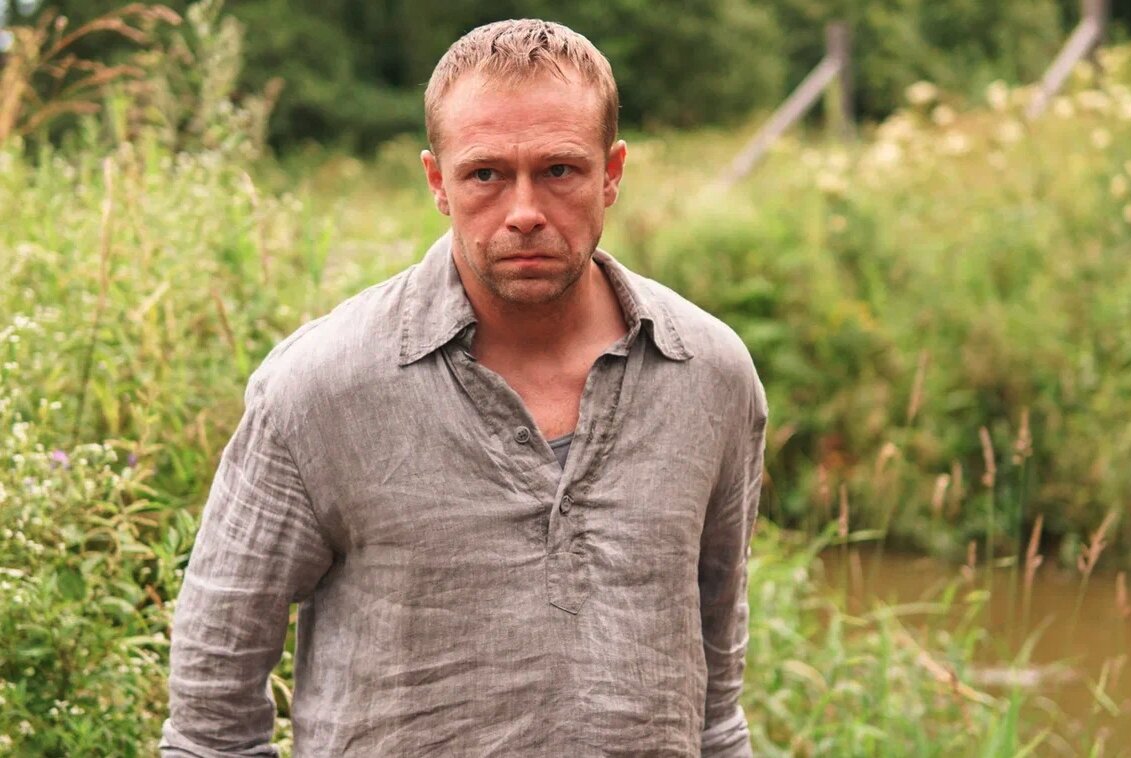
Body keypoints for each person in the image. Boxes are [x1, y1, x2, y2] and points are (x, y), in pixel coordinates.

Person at [161, 18, 766, 758]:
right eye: (486, 174)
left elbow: (715, 707)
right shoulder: (318, 390)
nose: (524, 212)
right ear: (436, 181)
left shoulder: (709, 374)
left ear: (611, 173)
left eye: (559, 170)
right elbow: (211, 717)